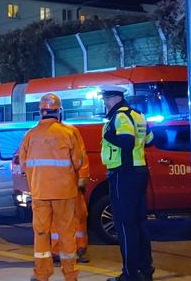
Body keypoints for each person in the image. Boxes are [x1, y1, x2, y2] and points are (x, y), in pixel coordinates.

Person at [19, 93, 83, 281]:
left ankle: (42, 275)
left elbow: (23, 164)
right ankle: (70, 275)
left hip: (40, 193)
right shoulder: (69, 133)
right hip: (65, 193)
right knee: (66, 234)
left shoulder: (30, 135)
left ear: (41, 112)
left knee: (41, 233)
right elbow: (78, 161)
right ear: (58, 111)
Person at [100, 85, 154, 281]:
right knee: (139, 225)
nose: (104, 103)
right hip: (139, 172)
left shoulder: (120, 117)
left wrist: (108, 135)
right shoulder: (138, 115)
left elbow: (126, 142)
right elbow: (149, 140)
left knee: (125, 226)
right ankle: (145, 270)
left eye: (105, 99)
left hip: (124, 174)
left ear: (114, 98)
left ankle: (130, 275)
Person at [52, 125, 90, 264]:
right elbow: (82, 156)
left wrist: (82, 178)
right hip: (65, 184)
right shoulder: (69, 131)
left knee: (73, 217)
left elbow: (81, 155)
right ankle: (70, 250)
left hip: (63, 184)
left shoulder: (42, 133)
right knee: (71, 217)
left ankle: (75, 250)